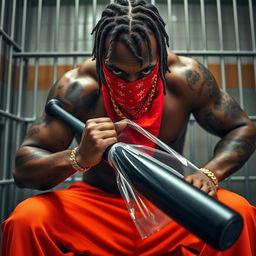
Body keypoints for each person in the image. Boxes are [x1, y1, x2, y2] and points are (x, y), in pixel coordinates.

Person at [1, 0, 256, 255]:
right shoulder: (77, 87)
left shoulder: (186, 79)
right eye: (116, 71)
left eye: (145, 70)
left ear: (161, 56)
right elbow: (23, 169)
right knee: (27, 219)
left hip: (171, 205)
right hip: (98, 209)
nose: (132, 83)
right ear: (101, 56)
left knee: (240, 214)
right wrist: (77, 157)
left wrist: (210, 173)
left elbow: (242, 127)